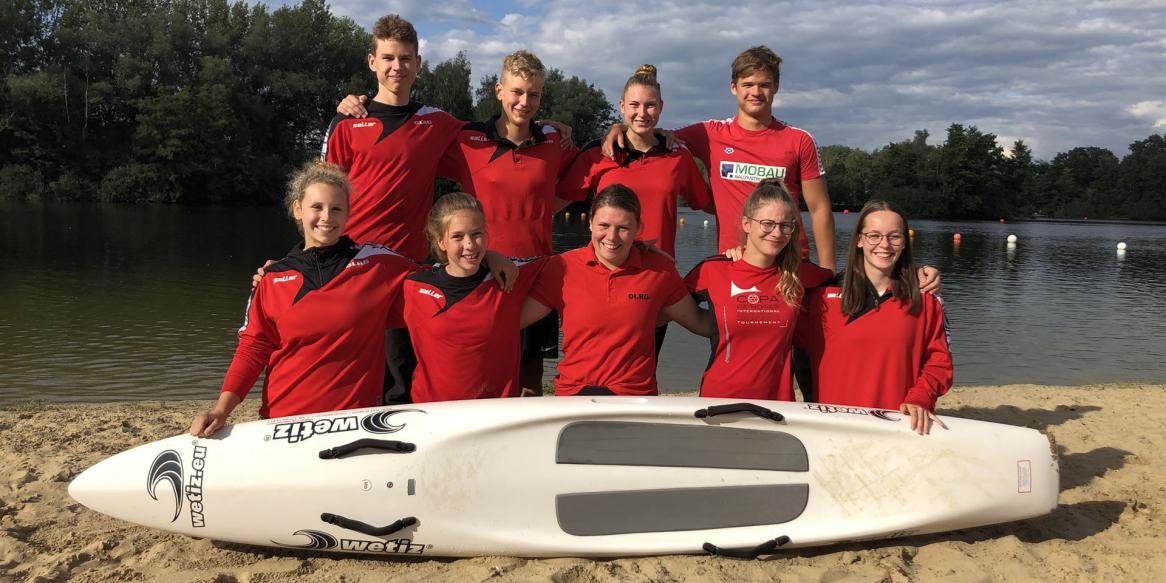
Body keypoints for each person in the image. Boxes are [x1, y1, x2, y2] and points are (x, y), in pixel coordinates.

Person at [190, 163, 417, 436]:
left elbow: (443, 285)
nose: (326, 217)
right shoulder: (273, 278)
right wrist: (221, 410)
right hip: (283, 424)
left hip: (355, 422)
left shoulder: (379, 264)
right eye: (317, 207)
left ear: (348, 213)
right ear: (298, 209)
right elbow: (253, 349)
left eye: (336, 209)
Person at [604, 47, 834, 270]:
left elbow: (819, 209)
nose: (755, 92)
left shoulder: (799, 140)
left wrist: (828, 271)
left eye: (764, 85)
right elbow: (647, 135)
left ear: (776, 87)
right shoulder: (708, 134)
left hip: (790, 261)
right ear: (733, 87)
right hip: (733, 260)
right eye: (747, 84)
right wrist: (619, 127)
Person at [435, 50, 578, 397]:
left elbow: (588, 174)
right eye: (517, 92)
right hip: (479, 272)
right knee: (477, 372)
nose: (524, 102)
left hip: (537, 275)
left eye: (533, 94)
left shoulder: (554, 141)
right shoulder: (466, 139)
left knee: (529, 379)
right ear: (499, 91)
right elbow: (411, 153)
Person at [559, 64, 714, 357]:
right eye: (634, 105)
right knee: (593, 360)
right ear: (621, 106)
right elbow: (553, 201)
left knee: (644, 366)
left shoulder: (676, 155)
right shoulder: (599, 152)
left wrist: (761, 217)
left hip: (654, 278)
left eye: (650, 105)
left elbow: (708, 204)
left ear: (661, 108)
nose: (642, 113)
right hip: (604, 276)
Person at [520, 184, 710, 396]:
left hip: (634, 395)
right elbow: (512, 322)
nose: (612, 237)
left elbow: (699, 322)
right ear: (590, 222)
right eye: (604, 225)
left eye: (623, 228)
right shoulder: (561, 268)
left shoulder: (659, 269)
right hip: (575, 393)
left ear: (638, 228)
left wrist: (750, 319)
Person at [794, 200, 953, 435]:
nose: (884, 245)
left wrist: (921, 397)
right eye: (874, 235)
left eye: (894, 236)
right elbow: (791, 353)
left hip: (897, 428)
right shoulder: (821, 296)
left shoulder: (926, 298)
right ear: (859, 239)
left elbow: (939, 363)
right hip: (831, 428)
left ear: (904, 242)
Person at [685, 178, 832, 401]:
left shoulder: (802, 275)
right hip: (718, 399)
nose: (776, 233)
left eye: (785, 226)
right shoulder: (713, 270)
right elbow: (664, 301)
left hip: (777, 404)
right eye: (767, 224)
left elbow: (852, 287)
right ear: (746, 223)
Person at [403, 193, 546, 402]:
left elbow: (570, 265)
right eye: (457, 236)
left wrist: (492, 256)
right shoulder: (414, 285)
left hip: (493, 415)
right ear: (441, 241)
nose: (470, 244)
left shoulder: (507, 277)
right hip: (432, 414)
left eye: (477, 234)